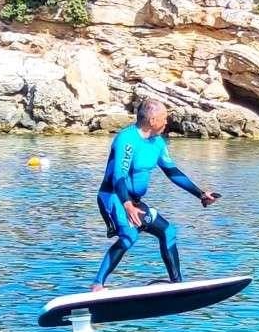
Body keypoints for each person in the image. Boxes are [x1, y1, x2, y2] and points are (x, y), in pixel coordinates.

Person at [92, 99, 219, 292]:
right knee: (129, 236)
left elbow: (172, 172)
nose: (167, 122)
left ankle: (177, 286)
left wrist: (200, 194)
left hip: (133, 201)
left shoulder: (158, 143)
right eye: (164, 118)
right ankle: (98, 285)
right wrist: (127, 205)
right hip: (113, 198)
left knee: (168, 231)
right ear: (152, 120)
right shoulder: (126, 140)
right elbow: (119, 175)